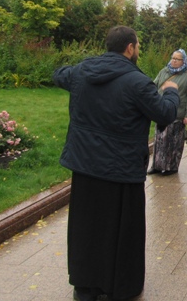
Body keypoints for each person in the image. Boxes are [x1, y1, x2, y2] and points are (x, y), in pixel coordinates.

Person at [53, 26, 180, 301]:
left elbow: (59, 74)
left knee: (86, 228)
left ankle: (85, 288)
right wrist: (171, 91)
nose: (138, 50)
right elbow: (165, 113)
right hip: (121, 171)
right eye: (138, 46)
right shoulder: (138, 82)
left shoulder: (82, 72)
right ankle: (121, 287)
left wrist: (80, 69)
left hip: (85, 167)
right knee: (122, 230)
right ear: (130, 48)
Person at [148, 48, 187, 175]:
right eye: (173, 58)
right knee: (159, 141)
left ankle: (171, 167)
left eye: (177, 59)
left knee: (174, 142)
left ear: (183, 61)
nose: (174, 61)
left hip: (177, 114)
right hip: (161, 111)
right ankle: (156, 166)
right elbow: (154, 85)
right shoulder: (164, 71)